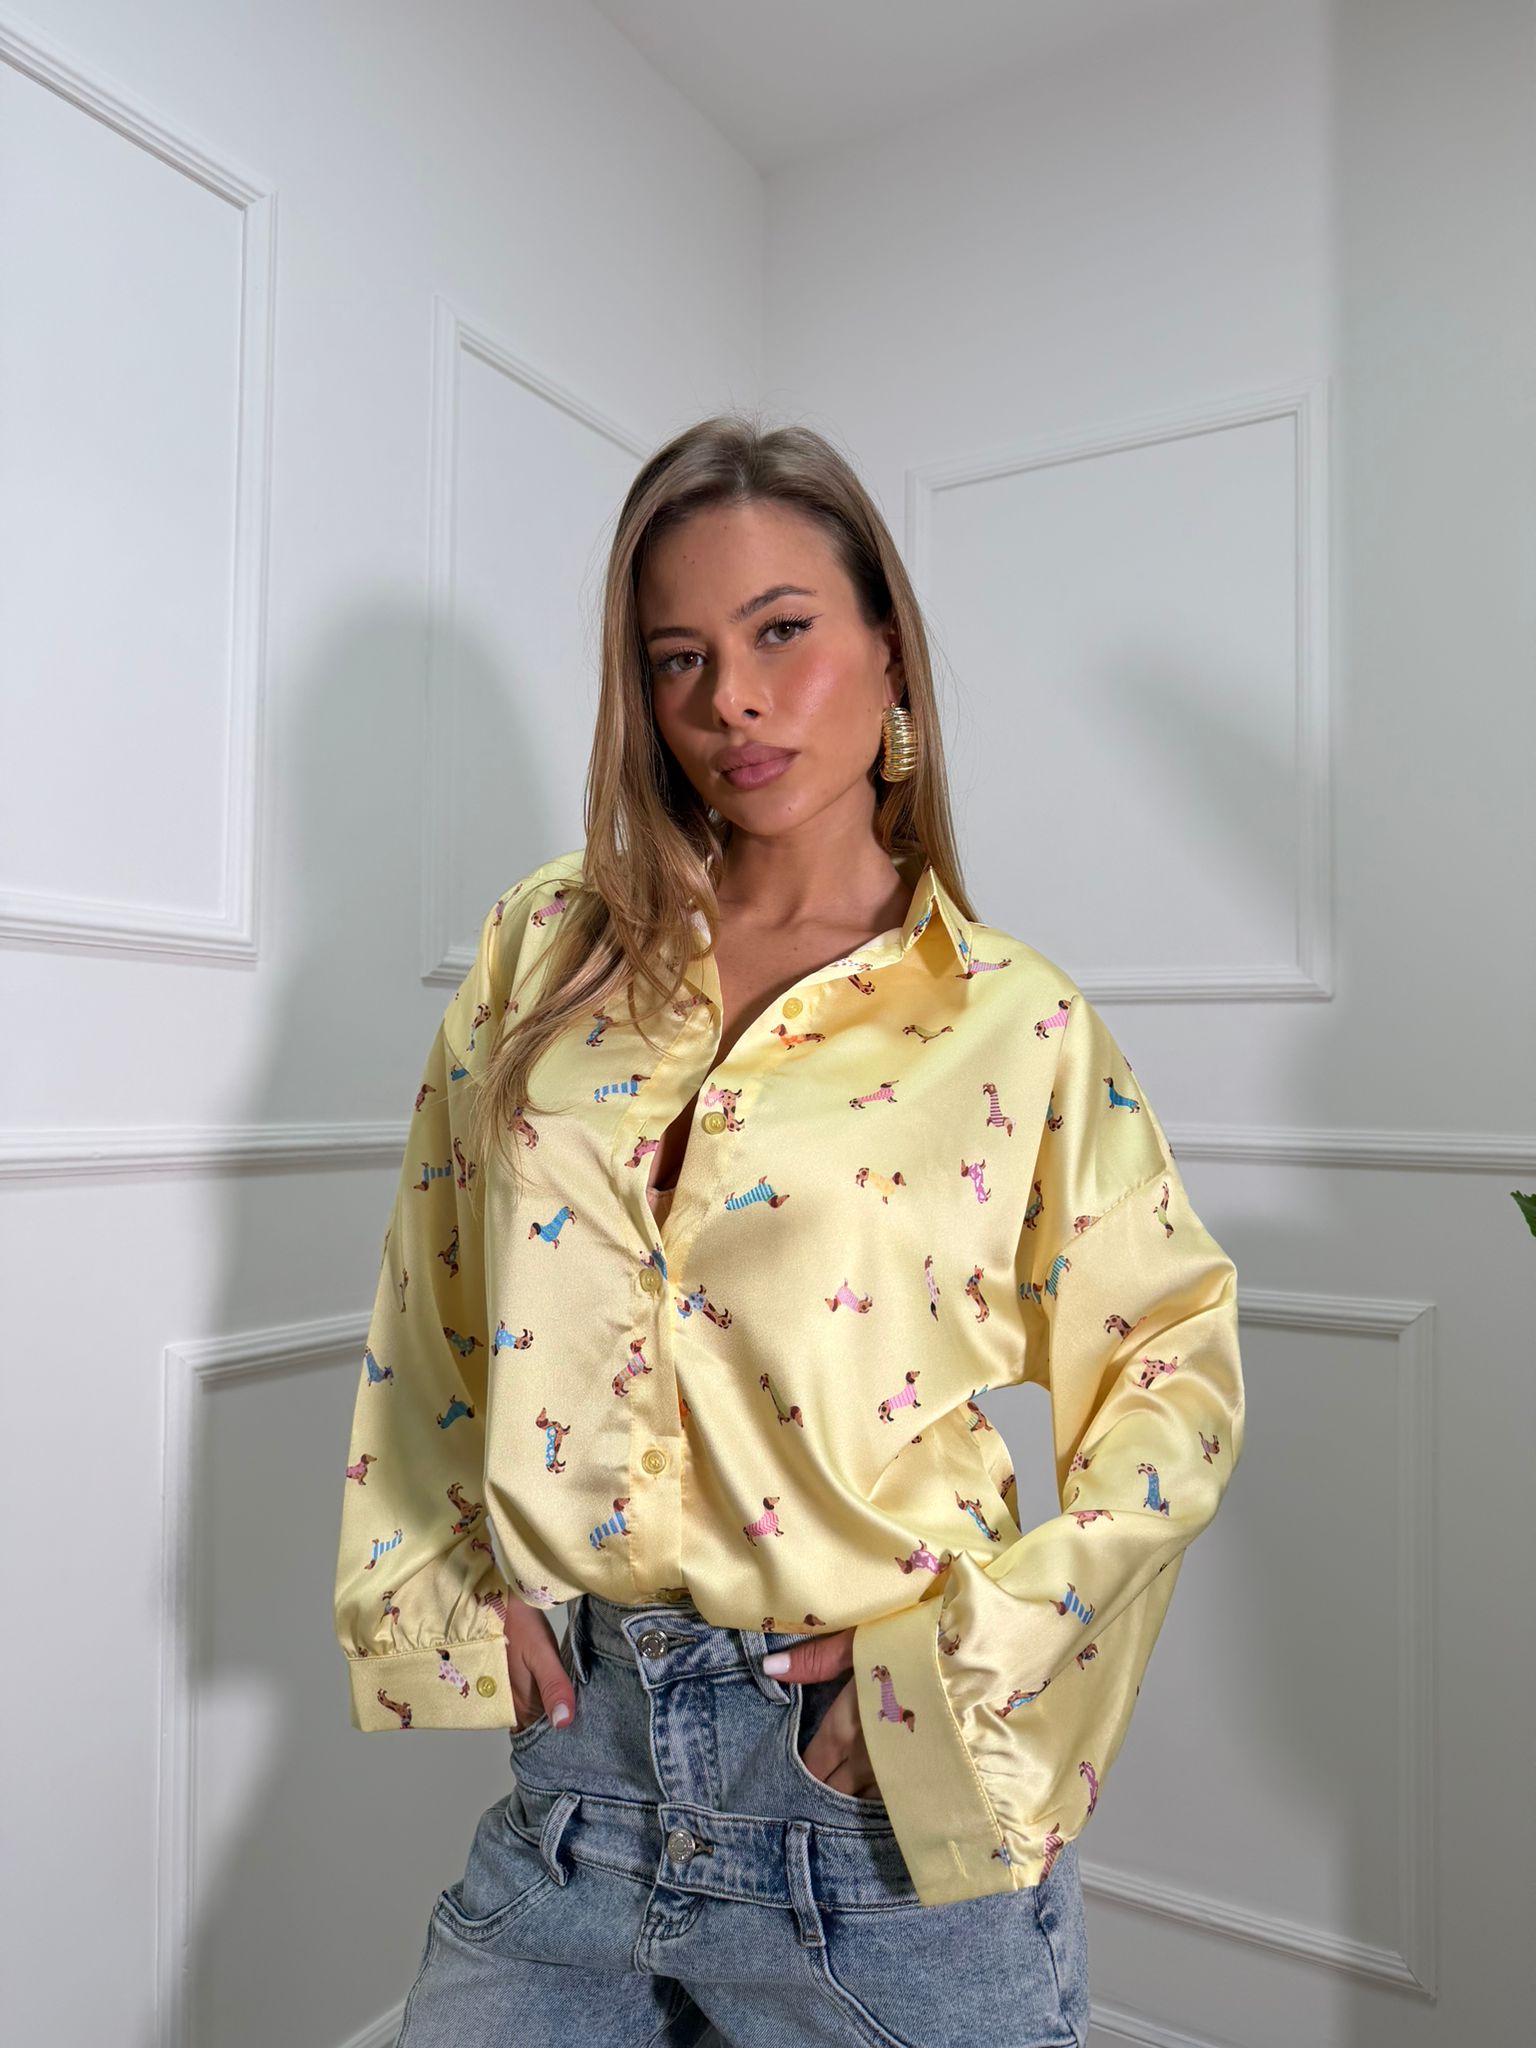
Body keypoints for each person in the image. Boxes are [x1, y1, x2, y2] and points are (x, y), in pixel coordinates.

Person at [332, 413, 1246, 2047]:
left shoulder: (1013, 1023)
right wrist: (458, 1580)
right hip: (578, 1793)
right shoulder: (546, 947)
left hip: (868, 1823)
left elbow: (1173, 1373)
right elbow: (438, 1281)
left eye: (780, 632)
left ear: (888, 649)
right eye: (677, 657)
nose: (729, 701)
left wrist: (966, 1663)